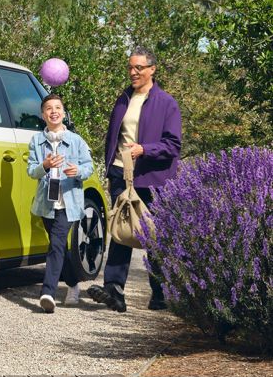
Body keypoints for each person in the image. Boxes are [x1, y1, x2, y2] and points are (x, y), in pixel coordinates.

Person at [87, 47, 182, 312]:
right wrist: (110, 171)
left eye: (138, 68)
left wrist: (145, 150)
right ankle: (113, 291)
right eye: (130, 67)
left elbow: (173, 145)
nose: (133, 72)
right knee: (120, 232)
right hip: (121, 174)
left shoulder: (167, 103)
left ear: (152, 69)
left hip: (152, 178)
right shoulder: (123, 100)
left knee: (154, 237)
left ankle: (160, 293)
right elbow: (114, 139)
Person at [27, 94, 94, 313]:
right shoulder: (37, 141)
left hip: (69, 202)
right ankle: (73, 285)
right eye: (48, 108)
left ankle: (48, 292)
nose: (53, 111)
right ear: (43, 114)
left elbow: (88, 167)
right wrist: (45, 165)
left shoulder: (76, 141)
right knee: (60, 248)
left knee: (56, 244)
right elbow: (31, 171)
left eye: (57, 107)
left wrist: (78, 172)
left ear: (63, 112)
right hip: (47, 203)